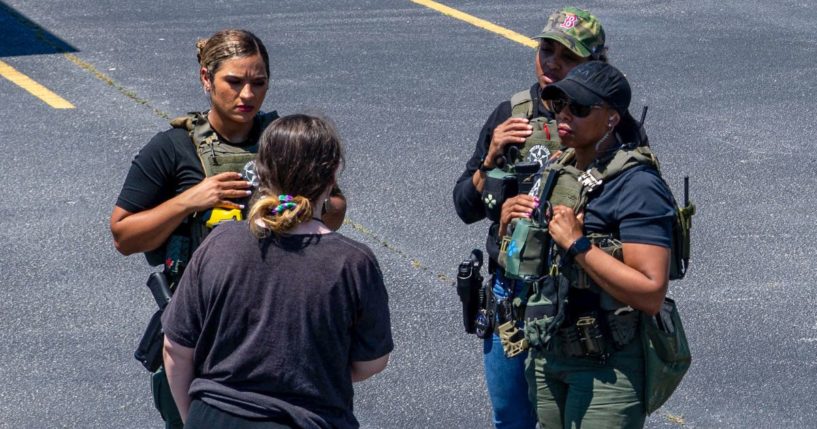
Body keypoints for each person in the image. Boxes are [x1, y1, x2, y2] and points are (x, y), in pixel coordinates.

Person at [110, 29, 346, 428]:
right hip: (202, 328)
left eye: (258, 83)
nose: (248, 96)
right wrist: (190, 200)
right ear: (206, 79)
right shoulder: (172, 149)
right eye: (234, 83)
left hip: (279, 321)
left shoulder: (284, 140)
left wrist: (283, 204)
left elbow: (335, 208)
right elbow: (124, 235)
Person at [161, 113, 394, 429]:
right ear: (333, 174)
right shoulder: (352, 262)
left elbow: (175, 348)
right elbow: (371, 362)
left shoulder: (220, 242)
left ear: (260, 171)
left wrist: (195, 419)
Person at [452, 7, 607, 428]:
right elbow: (464, 206)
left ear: (594, 64)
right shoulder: (512, 113)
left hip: (577, 298)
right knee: (511, 418)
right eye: (546, 49)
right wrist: (489, 159)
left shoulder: (608, 122)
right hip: (512, 293)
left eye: (568, 57)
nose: (552, 62)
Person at [500, 61, 674, 428]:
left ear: (611, 119)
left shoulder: (638, 186)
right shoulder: (557, 169)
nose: (564, 115)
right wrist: (510, 226)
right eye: (560, 104)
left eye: (578, 109)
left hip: (606, 367)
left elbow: (650, 291)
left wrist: (578, 245)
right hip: (549, 353)